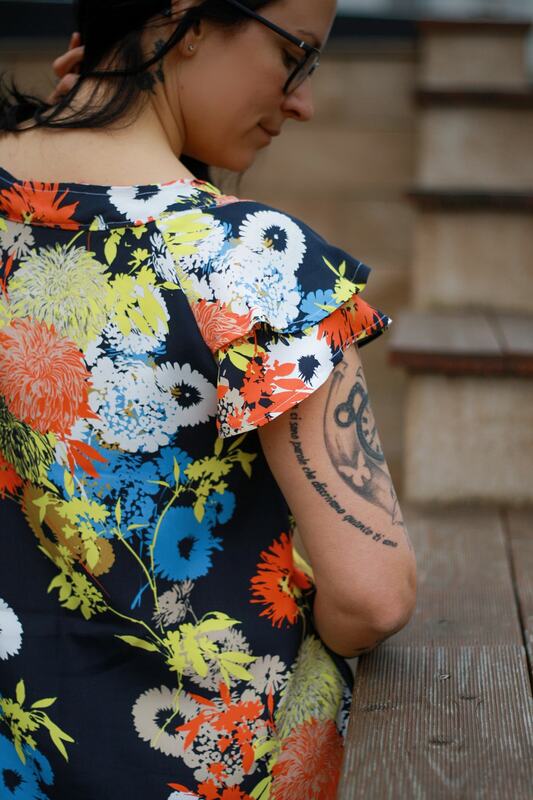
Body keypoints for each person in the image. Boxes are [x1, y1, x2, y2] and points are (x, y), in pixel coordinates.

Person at [0, 1, 417, 797]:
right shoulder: (253, 263)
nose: (303, 100)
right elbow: (371, 595)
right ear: (185, 21)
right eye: (294, 55)